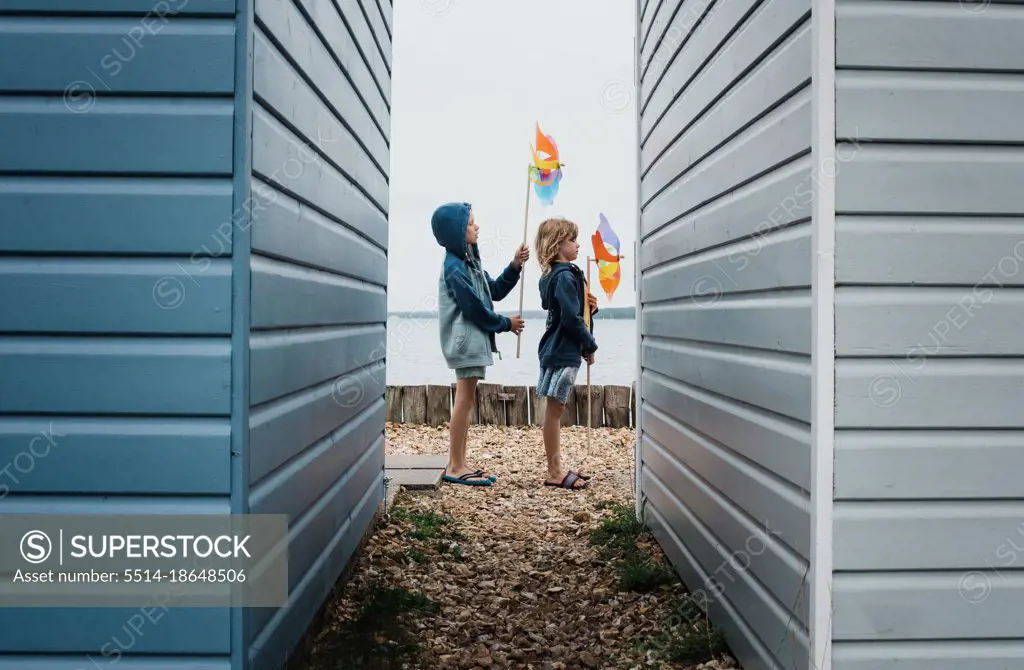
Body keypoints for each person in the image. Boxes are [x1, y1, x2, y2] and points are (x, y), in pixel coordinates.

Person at [432, 202, 528, 487]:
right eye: (471, 223)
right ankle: (455, 465)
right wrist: (505, 324)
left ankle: (459, 461)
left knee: (468, 399)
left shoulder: (469, 263)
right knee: (464, 400)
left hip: (472, 340)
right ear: (456, 231)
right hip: (465, 341)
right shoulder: (454, 268)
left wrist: (514, 265)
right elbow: (473, 309)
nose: (477, 226)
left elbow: (494, 291)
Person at [534, 217, 598, 491]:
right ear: (558, 244)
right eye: (572, 240)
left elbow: (569, 313)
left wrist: (590, 308)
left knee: (555, 407)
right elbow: (572, 320)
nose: (578, 244)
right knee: (556, 407)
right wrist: (589, 344)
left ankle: (555, 467)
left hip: (554, 347)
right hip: (563, 349)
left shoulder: (556, 276)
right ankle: (554, 470)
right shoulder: (564, 276)